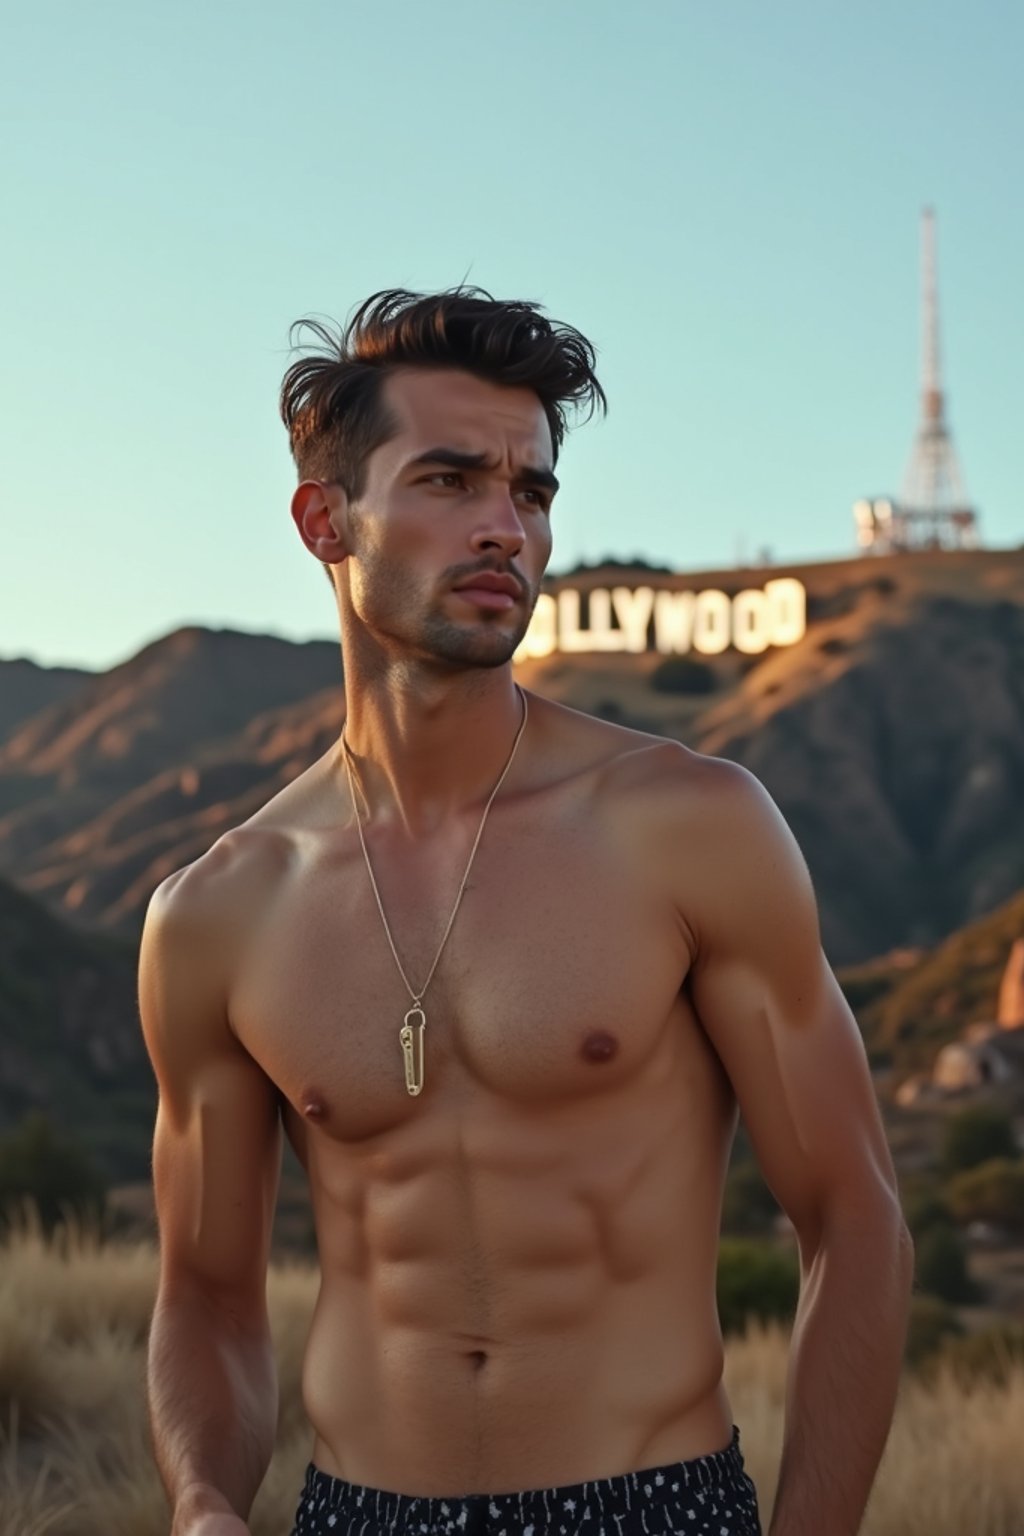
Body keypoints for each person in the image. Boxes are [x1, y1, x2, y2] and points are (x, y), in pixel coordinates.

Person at [141, 288, 914, 1536]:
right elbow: (208, 1299)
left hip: (651, 1505)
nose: (506, 527)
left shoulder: (685, 826)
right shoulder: (218, 911)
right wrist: (201, 1503)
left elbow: (854, 1222)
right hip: (358, 1515)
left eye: (532, 492)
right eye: (450, 481)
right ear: (323, 520)